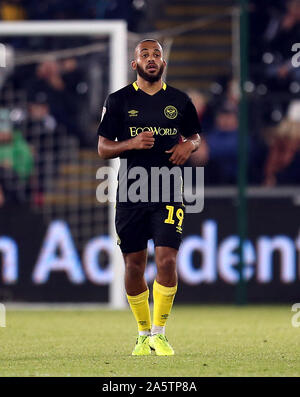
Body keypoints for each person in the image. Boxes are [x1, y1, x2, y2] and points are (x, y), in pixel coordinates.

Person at [97, 39, 201, 356]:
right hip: (132, 190)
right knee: (134, 266)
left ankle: (160, 333)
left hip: (169, 188)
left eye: (157, 54)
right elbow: (103, 148)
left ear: (163, 64)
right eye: (145, 54)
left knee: (168, 259)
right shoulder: (118, 101)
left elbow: (195, 136)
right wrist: (130, 143)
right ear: (135, 64)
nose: (151, 59)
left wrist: (190, 146)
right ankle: (143, 334)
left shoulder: (180, 101)